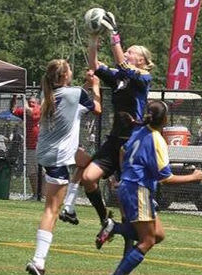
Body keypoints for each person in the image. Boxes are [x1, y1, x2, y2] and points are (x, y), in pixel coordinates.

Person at [59, 11, 154, 254]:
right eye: (128, 50)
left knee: (126, 205)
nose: (129, 53)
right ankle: (104, 220)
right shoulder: (120, 79)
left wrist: (114, 35)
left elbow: (122, 64)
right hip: (114, 142)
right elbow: (94, 66)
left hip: (132, 145)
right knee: (89, 178)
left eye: (133, 51)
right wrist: (93, 40)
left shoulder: (143, 77)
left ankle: (126, 255)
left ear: (142, 61)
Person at [96, 101, 202, 275]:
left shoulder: (139, 131)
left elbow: (122, 150)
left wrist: (124, 175)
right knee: (148, 241)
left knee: (158, 234)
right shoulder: (157, 139)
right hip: (138, 190)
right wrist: (193, 177)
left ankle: (116, 228)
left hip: (129, 187)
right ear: (165, 119)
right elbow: (166, 178)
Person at [25, 59, 101, 275]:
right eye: (68, 70)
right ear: (64, 77)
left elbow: (74, 99)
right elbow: (97, 108)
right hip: (57, 156)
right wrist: (95, 86)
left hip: (51, 151)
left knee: (87, 163)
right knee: (50, 210)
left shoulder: (54, 93)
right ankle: (38, 261)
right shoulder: (74, 93)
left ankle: (70, 204)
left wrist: (85, 87)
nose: (71, 71)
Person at [10, 95, 42, 199]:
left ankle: (42, 194)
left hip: (39, 146)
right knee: (31, 172)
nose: (30, 104)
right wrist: (14, 97)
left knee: (42, 172)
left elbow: (31, 113)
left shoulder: (38, 109)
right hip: (30, 147)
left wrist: (22, 98)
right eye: (29, 102)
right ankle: (36, 194)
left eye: (32, 102)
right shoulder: (25, 111)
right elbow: (13, 110)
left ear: (37, 103)